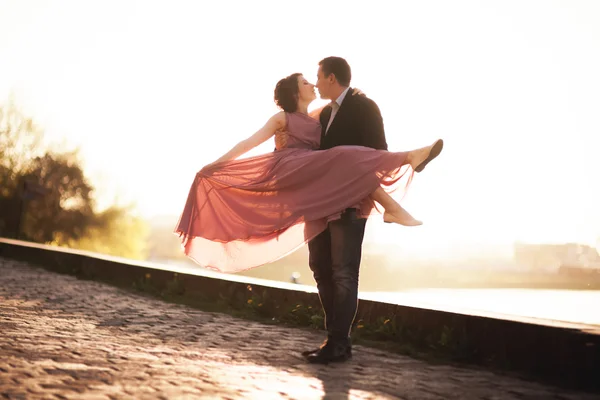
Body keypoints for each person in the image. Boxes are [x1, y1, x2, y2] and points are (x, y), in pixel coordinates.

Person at [174, 59, 443, 344]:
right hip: (295, 174)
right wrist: (217, 165)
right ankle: (403, 175)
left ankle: (337, 340)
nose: (313, 83)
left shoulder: (326, 113)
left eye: (315, 78)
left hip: (329, 191)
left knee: (337, 262)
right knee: (343, 158)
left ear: (330, 78)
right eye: (306, 82)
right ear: (294, 92)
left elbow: (357, 128)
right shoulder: (293, 117)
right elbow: (249, 143)